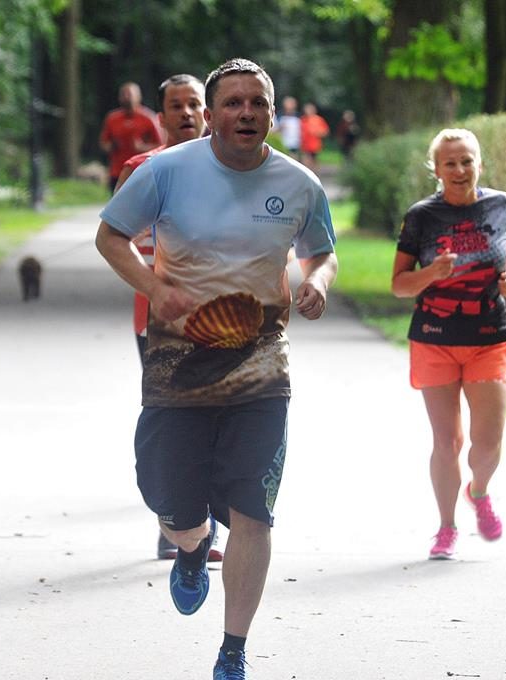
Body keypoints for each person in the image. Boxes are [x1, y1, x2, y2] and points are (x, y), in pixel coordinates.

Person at [95, 57, 337, 680]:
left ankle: (233, 649)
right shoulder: (166, 171)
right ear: (211, 113)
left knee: (255, 511)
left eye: (257, 102)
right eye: (233, 102)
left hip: (262, 369)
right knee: (171, 502)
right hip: (177, 366)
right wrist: (155, 286)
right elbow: (110, 236)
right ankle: (192, 543)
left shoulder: (299, 183)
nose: (246, 113)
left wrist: (316, 282)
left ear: (271, 112)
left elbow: (321, 253)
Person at [390, 128, 506, 561]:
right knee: (447, 442)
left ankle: (479, 491)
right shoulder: (421, 216)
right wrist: (432, 273)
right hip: (435, 337)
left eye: (466, 160)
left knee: (486, 445)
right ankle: (446, 527)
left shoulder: (502, 205)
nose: (459, 169)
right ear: (436, 169)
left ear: (479, 164)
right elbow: (398, 284)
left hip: (488, 336)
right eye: (450, 162)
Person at [112, 73, 223, 563]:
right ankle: (174, 525)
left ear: (208, 112)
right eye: (176, 106)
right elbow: (116, 240)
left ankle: (205, 528)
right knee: (175, 424)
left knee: (218, 421)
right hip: (159, 319)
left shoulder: (233, 168)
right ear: (160, 118)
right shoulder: (141, 169)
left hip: (223, 317)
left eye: (194, 104)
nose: (186, 113)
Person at [99, 82, 162, 194]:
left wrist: (142, 147)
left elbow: (161, 146)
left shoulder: (148, 118)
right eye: (123, 94)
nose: (127, 97)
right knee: (117, 202)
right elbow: (104, 143)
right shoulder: (112, 118)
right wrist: (112, 146)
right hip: (117, 172)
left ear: (138, 96)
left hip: (141, 170)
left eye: (130, 94)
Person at [299, 102, 329, 174]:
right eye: (306, 109)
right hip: (304, 145)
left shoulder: (319, 120)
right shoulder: (302, 119)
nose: (308, 111)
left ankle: (315, 175)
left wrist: (316, 132)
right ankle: (306, 175)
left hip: (315, 145)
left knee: (314, 162)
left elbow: (325, 132)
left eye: (310, 109)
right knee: (305, 162)